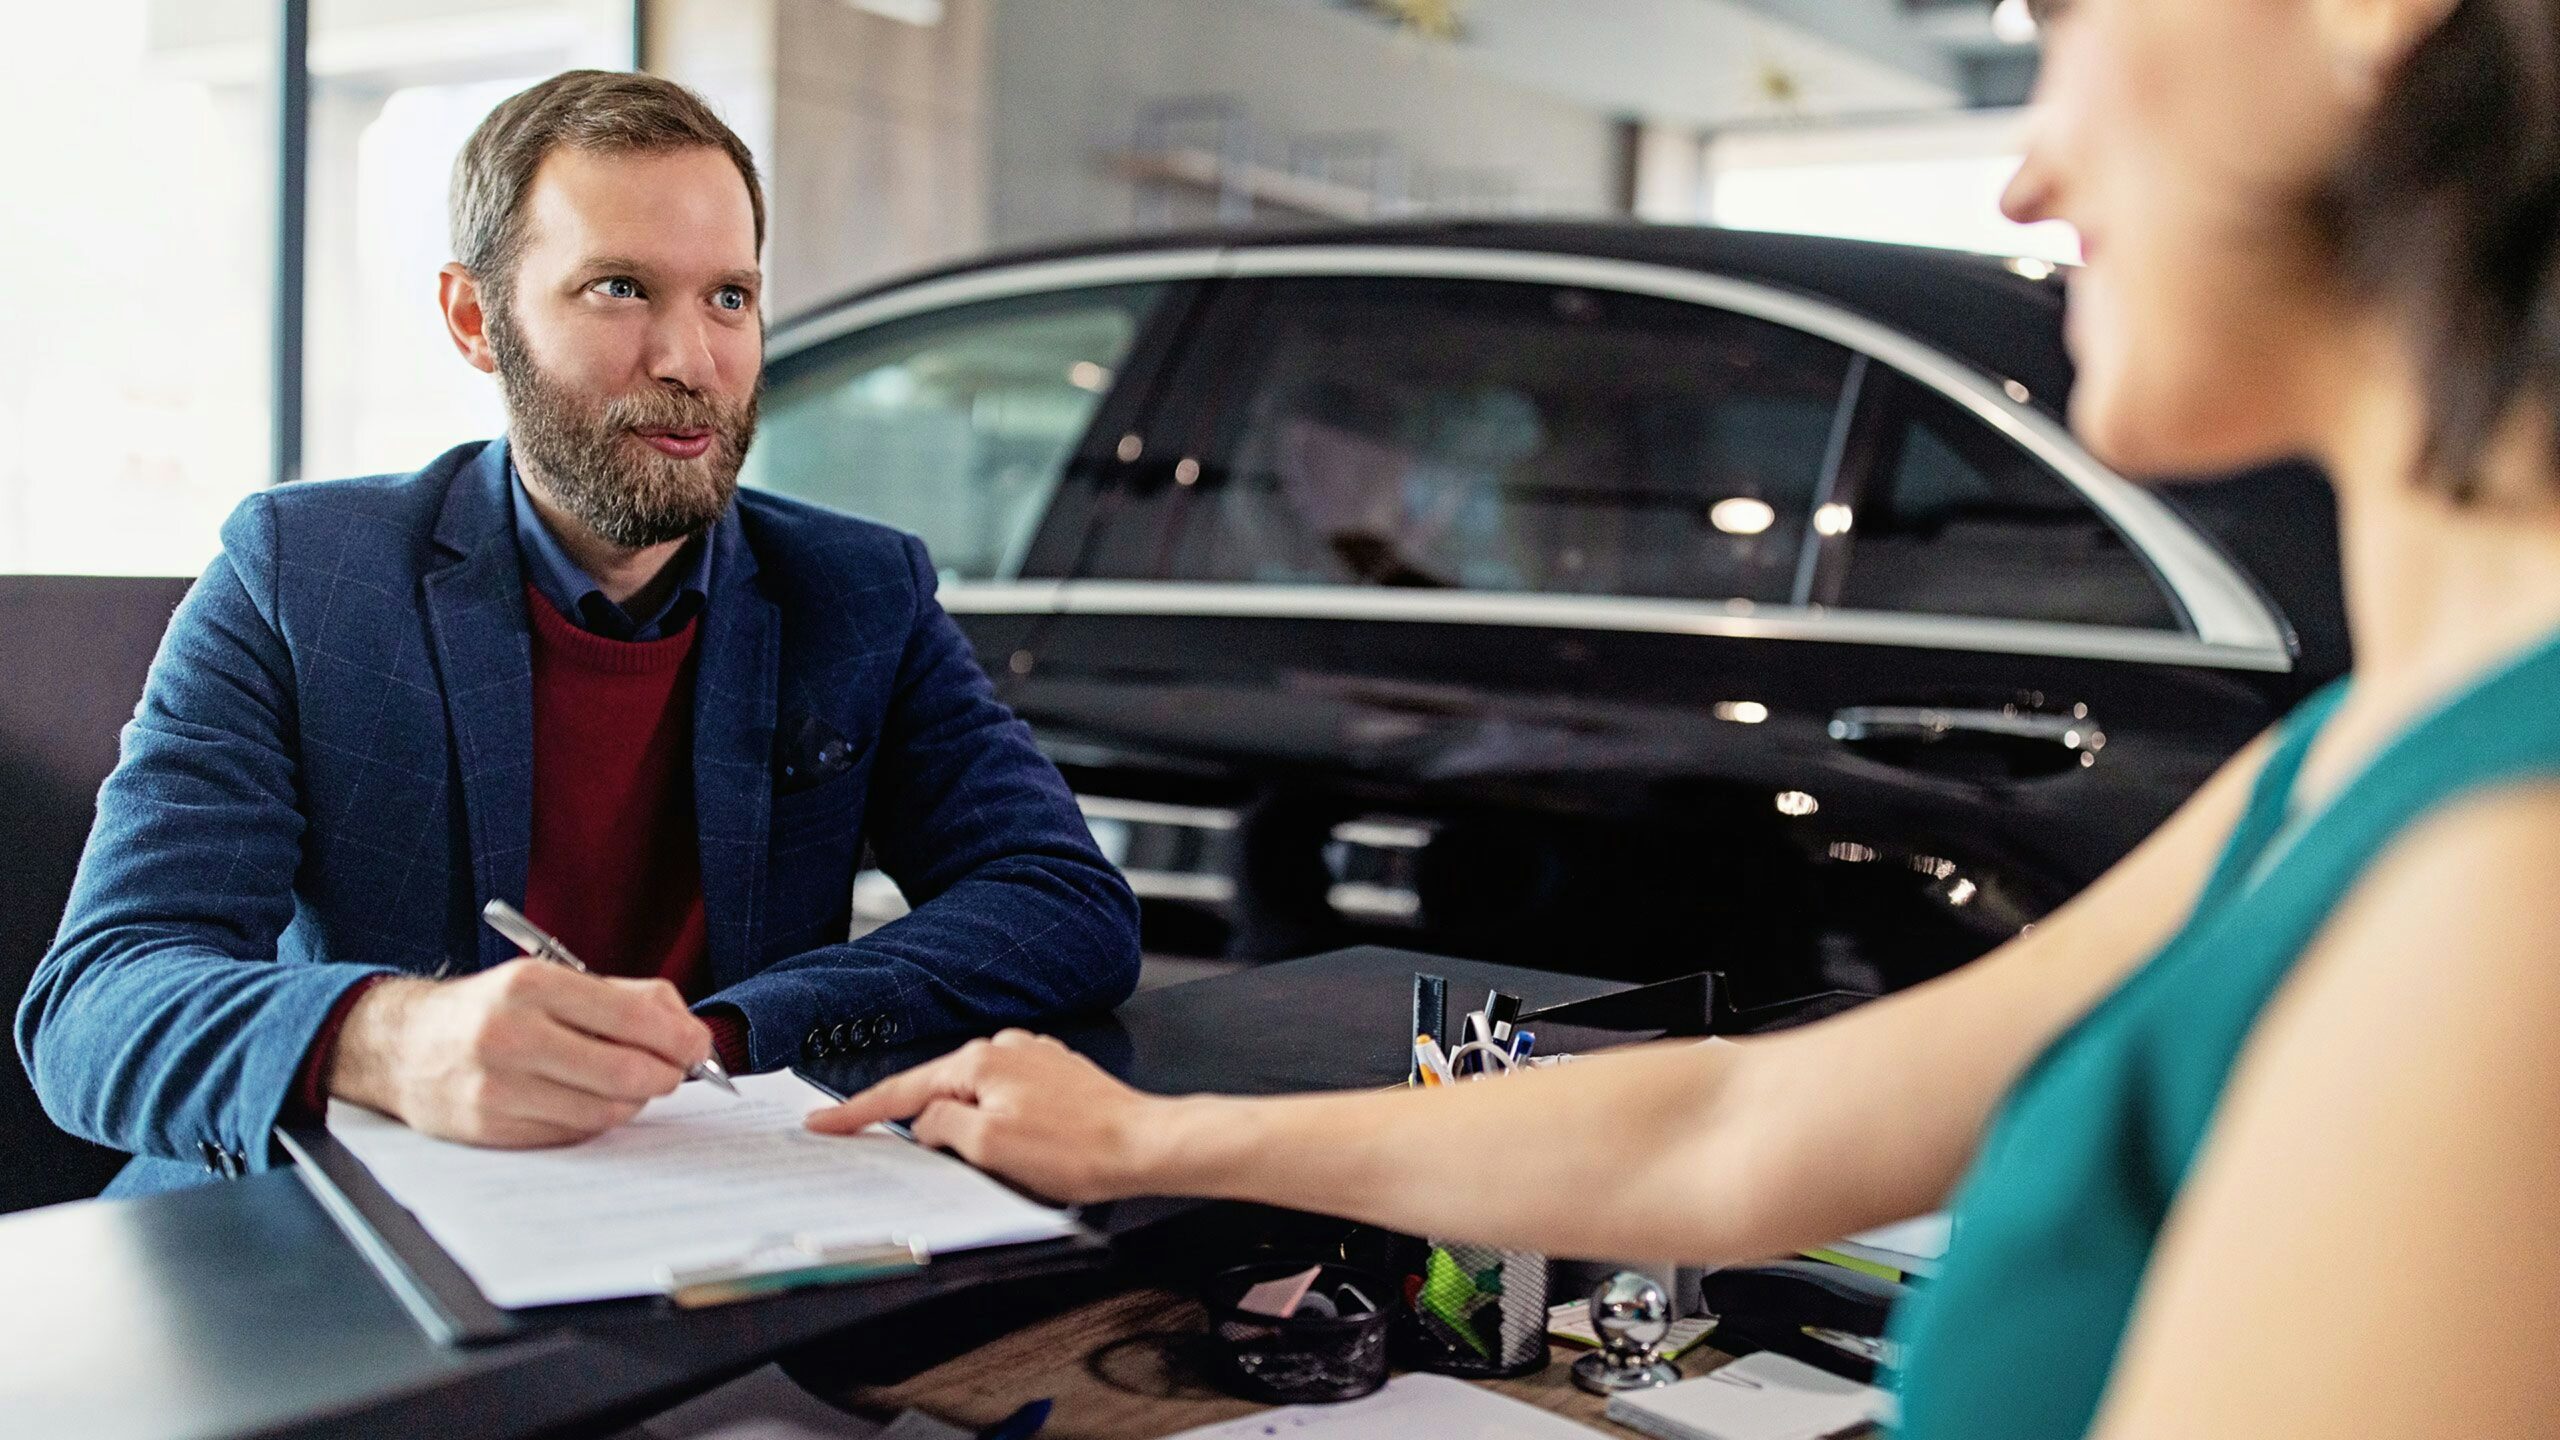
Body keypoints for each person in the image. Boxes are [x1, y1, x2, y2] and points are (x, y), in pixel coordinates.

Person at [807, 0, 2560, 1433]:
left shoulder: (2505, 882)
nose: (2029, 175)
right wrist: (1144, 1143)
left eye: (2063, 20)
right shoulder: (2363, 761)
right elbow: (1742, 1127)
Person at [15, 70, 1140, 1198]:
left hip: (702, 1195)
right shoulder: (302, 576)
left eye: (729, 299)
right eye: (618, 289)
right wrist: (392, 1039)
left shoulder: (855, 589)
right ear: (476, 320)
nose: (691, 361)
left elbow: (1064, 905)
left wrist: (735, 1033)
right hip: (338, 1224)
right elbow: (99, 1002)